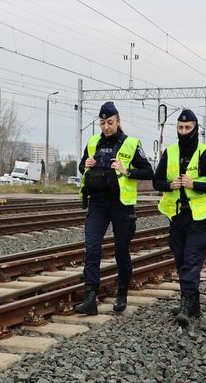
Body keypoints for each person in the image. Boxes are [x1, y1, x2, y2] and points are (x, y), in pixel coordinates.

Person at [75, 101, 154, 315]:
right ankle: (90, 297)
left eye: (110, 122)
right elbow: (82, 165)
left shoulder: (131, 143)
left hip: (121, 206)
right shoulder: (93, 142)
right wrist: (86, 165)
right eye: (102, 123)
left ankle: (121, 294)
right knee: (92, 249)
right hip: (97, 204)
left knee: (121, 251)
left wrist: (126, 170)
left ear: (118, 121)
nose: (106, 127)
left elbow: (149, 171)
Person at [152, 108, 206, 329]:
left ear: (195, 129)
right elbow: (156, 182)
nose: (184, 132)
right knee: (182, 260)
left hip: (198, 217)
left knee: (191, 260)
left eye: (188, 128)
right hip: (176, 215)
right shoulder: (170, 152)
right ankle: (194, 305)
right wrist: (169, 185)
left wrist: (195, 185)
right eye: (180, 128)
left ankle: (185, 307)